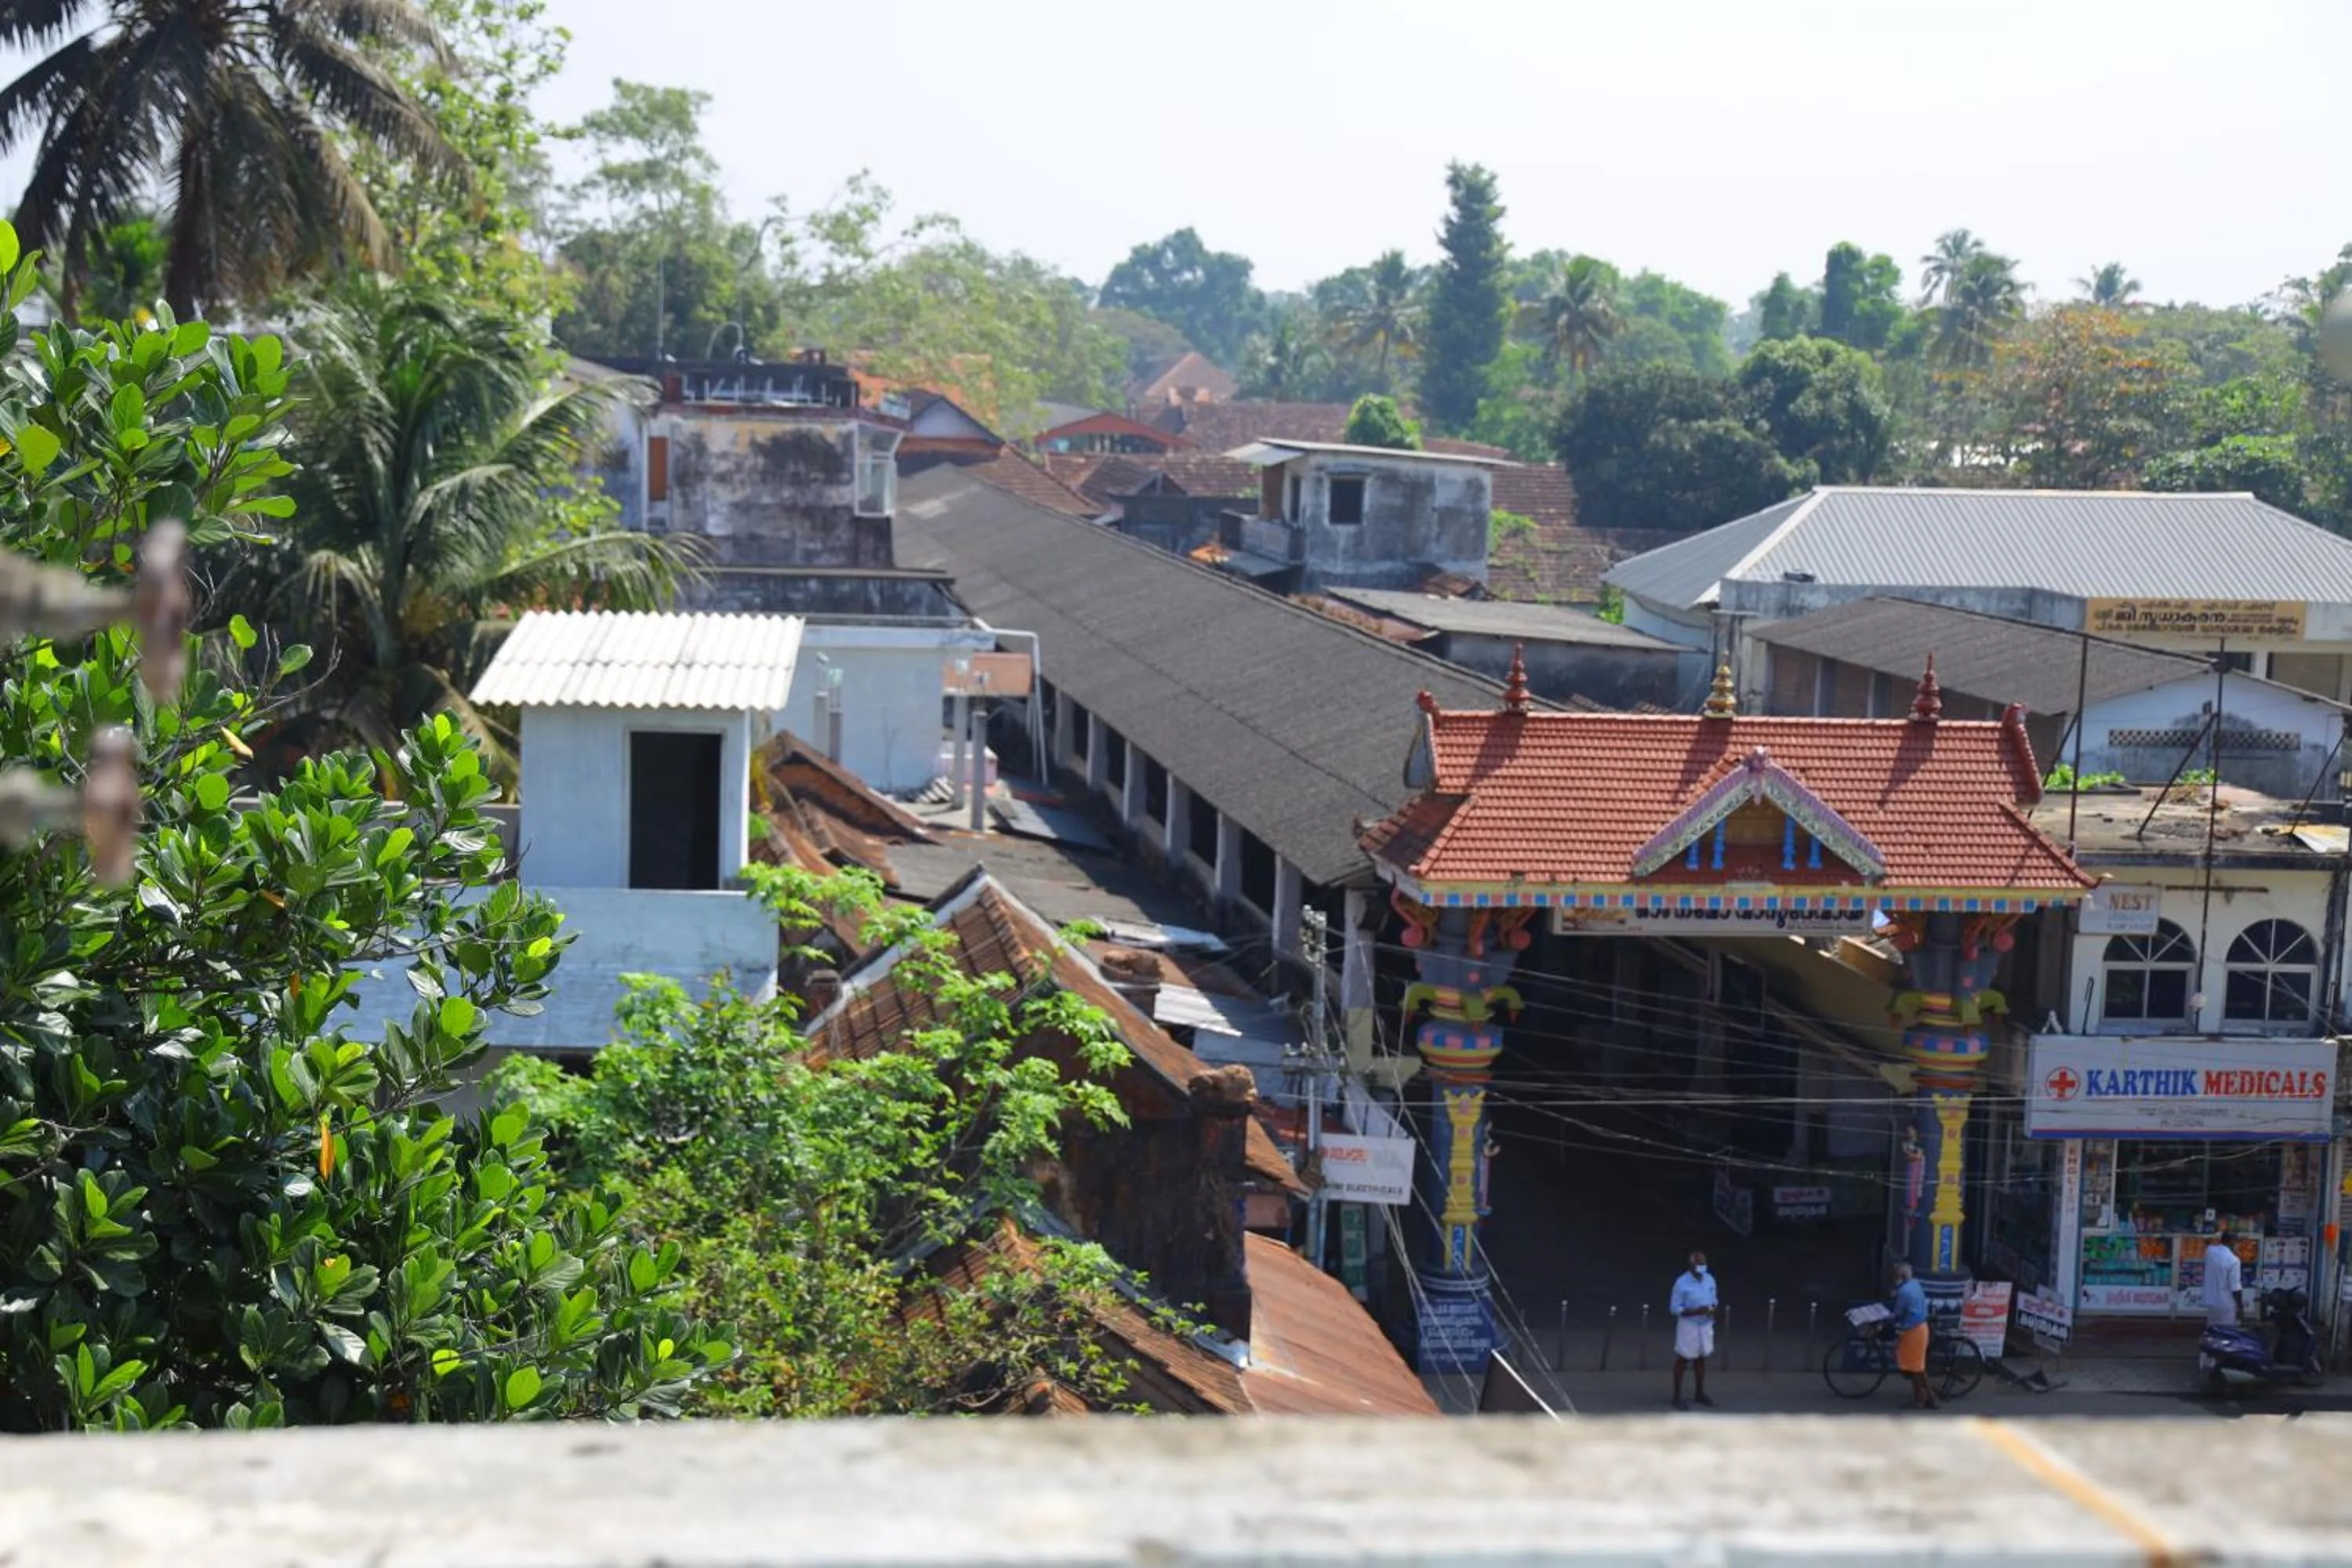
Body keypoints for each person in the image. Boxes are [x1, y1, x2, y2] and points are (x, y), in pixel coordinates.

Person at [1669, 1251, 1717, 1410]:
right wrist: (1695, 1311)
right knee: (1683, 1359)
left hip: (1705, 1324)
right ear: (1691, 1266)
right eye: (1699, 1264)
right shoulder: (1681, 1283)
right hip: (1689, 1325)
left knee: (1702, 1358)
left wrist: (1712, 1309)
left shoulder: (1710, 1279)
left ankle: (1700, 1393)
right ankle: (1676, 1396)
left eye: (1704, 1264)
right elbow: (1674, 1308)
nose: (1702, 1267)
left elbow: (1714, 1300)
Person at [1889, 1260, 1936, 1410]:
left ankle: (1921, 1400)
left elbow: (1898, 1312)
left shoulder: (1904, 1292)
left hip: (1913, 1331)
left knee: (1916, 1369)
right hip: (1921, 1328)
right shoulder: (1915, 1284)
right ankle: (1930, 1398)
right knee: (1918, 1368)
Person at [2202, 1229, 2244, 1328]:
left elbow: (2208, 1240)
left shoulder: (2210, 1251)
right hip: (2226, 1303)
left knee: (2212, 1330)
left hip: (2211, 1301)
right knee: (2226, 1333)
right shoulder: (2233, 1260)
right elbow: (2236, 1288)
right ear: (2233, 1242)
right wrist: (2241, 1307)